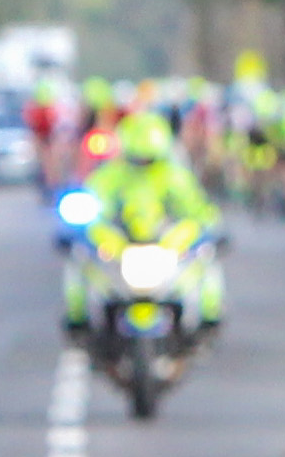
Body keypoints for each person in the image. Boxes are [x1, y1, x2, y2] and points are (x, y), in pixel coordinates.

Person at [65, 108, 224, 338]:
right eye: (137, 158)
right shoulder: (112, 174)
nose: (143, 164)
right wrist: (83, 227)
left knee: (207, 257)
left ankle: (209, 316)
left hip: (164, 246)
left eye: (148, 159)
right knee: (78, 258)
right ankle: (78, 318)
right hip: (121, 247)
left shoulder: (174, 176)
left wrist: (207, 227)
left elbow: (199, 209)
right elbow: (91, 202)